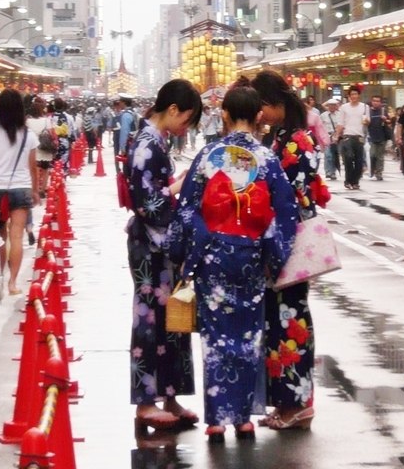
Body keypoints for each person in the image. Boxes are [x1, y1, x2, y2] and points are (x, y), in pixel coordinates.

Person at [168, 80, 298, 442]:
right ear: (259, 116)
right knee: (249, 333)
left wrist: (185, 252)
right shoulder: (267, 158)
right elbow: (284, 213)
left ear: (223, 114)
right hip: (251, 255)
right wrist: (274, 253)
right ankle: (243, 416)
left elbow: (189, 207)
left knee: (215, 335)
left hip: (213, 254)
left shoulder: (210, 155)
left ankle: (216, 418)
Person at [250, 70, 327, 431]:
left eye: (262, 106)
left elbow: (293, 198)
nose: (259, 113)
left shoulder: (298, 140)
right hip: (277, 245)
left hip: (290, 244)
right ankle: (287, 402)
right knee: (279, 323)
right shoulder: (281, 137)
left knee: (292, 321)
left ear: (277, 103)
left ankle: (299, 403)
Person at [126, 79, 202, 433]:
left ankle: (170, 396)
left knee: (173, 319)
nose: (185, 128)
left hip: (161, 244)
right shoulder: (146, 146)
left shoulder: (152, 142)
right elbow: (148, 204)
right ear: (173, 110)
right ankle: (145, 402)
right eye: (186, 120)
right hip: (150, 246)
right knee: (150, 322)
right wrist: (178, 188)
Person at [0, 89, 40, 294]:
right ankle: (12, 283)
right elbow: (32, 167)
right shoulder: (29, 134)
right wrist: (35, 191)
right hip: (21, 187)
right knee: (17, 237)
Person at [334, 86, 369, 190]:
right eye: (352, 94)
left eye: (356, 94)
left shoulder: (364, 107)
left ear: (359, 95)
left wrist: (366, 121)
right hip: (347, 136)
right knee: (348, 158)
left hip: (360, 136)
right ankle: (348, 181)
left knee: (359, 161)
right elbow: (341, 123)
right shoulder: (344, 107)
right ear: (348, 96)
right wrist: (337, 136)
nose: (354, 96)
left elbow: (368, 121)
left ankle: (355, 181)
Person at [26, 99, 56, 197]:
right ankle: (43, 189)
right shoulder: (46, 121)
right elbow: (52, 134)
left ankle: (35, 188)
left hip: (32, 148)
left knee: (34, 169)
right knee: (45, 169)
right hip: (44, 147)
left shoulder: (28, 121)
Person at [368, 95, 390, 181]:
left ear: (380, 103)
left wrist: (385, 119)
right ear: (371, 102)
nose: (375, 103)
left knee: (380, 156)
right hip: (371, 136)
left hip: (382, 137)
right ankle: (373, 169)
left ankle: (379, 173)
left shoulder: (383, 111)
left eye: (377, 101)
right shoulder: (368, 111)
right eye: (374, 101)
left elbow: (389, 121)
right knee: (372, 154)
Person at [50, 98, 76, 172]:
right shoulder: (69, 117)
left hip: (53, 142)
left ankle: (55, 179)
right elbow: (73, 130)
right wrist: (73, 141)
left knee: (54, 163)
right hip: (65, 141)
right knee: (63, 162)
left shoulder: (50, 117)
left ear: (54, 106)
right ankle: (63, 178)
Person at [320, 98, 340, 179]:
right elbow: (319, 126)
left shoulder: (339, 115)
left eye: (334, 105)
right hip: (326, 136)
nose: (332, 107)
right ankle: (328, 171)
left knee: (335, 155)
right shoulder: (323, 115)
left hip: (336, 136)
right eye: (330, 105)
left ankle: (333, 172)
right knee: (328, 154)